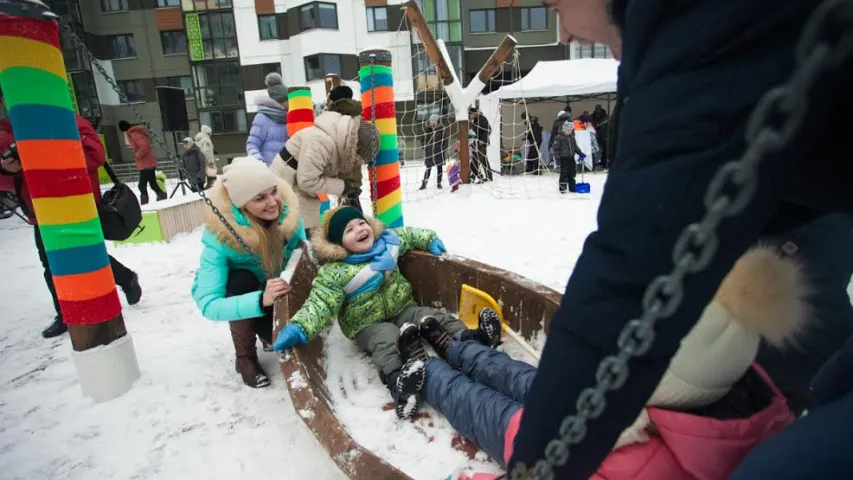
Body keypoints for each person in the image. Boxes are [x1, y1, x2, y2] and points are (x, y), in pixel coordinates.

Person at [511, 1, 852, 478]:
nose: (563, 33)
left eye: (555, 7)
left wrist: (533, 469)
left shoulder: (702, 26)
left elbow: (629, 273)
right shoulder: (684, 36)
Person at [435, 248, 805, 480]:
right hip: (591, 402)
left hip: (547, 442)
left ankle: (429, 372)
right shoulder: (738, 386)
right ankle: (454, 348)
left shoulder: (647, 466)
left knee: (477, 404)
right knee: (513, 375)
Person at [271, 206, 503, 418]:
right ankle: (400, 384)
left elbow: (410, 235)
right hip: (366, 325)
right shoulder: (336, 273)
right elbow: (319, 303)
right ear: (338, 244)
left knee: (431, 317)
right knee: (387, 340)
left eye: (361, 223)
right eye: (349, 229)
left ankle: (472, 338)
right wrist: (299, 327)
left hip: (403, 307)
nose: (360, 229)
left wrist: (429, 239)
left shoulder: (387, 243)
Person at [1, 90, 142, 338]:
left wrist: (40, 154)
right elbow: (5, 181)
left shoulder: (67, 120)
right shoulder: (6, 132)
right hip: (40, 210)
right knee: (50, 262)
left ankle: (126, 278)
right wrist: (7, 168)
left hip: (77, 204)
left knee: (89, 254)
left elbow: (95, 155)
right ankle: (65, 313)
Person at [191, 157, 306, 388]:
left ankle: (268, 333)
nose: (273, 202)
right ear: (241, 204)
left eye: (274, 191)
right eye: (260, 198)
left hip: (278, 292)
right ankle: (245, 358)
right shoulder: (221, 238)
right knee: (240, 279)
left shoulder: (288, 218)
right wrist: (261, 299)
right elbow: (208, 303)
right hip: (249, 297)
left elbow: (300, 255)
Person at [269, 111, 378, 236]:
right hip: (287, 183)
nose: (359, 161)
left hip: (300, 183)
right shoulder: (321, 142)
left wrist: (347, 189)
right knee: (298, 228)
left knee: (310, 225)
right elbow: (307, 181)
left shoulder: (337, 140)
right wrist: (343, 188)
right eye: (360, 157)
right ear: (354, 147)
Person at [325, 85, 365, 210]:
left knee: (349, 209)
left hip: (342, 169)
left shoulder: (336, 117)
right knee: (351, 204)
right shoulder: (357, 115)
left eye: (330, 99)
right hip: (353, 171)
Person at [118, 120, 165, 205]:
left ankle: (145, 204)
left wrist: (138, 155)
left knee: (141, 185)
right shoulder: (133, 133)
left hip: (145, 163)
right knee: (152, 183)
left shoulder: (135, 134)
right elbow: (128, 143)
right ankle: (162, 196)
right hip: (147, 162)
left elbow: (144, 145)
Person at [247, 72, 289, 166]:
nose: (290, 104)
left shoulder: (291, 117)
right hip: (270, 173)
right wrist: (260, 163)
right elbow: (252, 144)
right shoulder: (262, 118)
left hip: (289, 174)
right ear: (279, 102)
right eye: (287, 101)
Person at [553, 120, 583, 193]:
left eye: (571, 130)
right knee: (564, 173)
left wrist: (580, 153)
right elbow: (556, 150)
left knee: (572, 172)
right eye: (568, 130)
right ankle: (562, 189)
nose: (570, 132)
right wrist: (557, 160)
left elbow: (575, 147)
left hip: (571, 158)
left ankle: (572, 188)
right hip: (563, 159)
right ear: (564, 129)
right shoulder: (558, 137)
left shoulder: (571, 137)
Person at [420, 113, 449, 190]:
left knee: (439, 168)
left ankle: (439, 184)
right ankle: (424, 184)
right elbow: (422, 140)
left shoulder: (441, 129)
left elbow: (446, 140)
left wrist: (442, 149)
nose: (433, 122)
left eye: (435, 120)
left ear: (437, 121)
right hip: (429, 152)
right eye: (432, 120)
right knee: (428, 168)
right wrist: (425, 147)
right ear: (429, 120)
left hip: (439, 152)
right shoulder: (426, 129)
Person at [467, 107, 492, 182]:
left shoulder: (482, 119)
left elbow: (488, 130)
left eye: (470, 115)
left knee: (477, 159)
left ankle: (475, 176)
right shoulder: (475, 120)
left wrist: (483, 140)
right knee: (483, 160)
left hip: (482, 143)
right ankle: (488, 176)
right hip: (476, 143)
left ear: (474, 113)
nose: (470, 116)